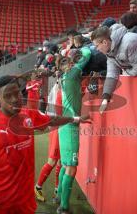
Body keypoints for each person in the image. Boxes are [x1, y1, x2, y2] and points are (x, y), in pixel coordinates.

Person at [0, 75, 90, 214]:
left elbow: (51, 120)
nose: (15, 99)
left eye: (17, 93)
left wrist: (75, 119)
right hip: (1, 204)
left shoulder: (28, 115)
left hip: (26, 203)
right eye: (8, 95)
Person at [56, 46, 91, 214]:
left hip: (64, 125)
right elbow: (87, 54)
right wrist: (83, 47)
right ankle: (63, 207)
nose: (72, 63)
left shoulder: (64, 76)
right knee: (71, 167)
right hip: (70, 126)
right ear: (66, 64)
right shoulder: (73, 72)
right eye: (69, 61)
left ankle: (58, 197)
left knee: (65, 164)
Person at [91, 25, 137, 113]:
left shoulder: (130, 42)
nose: (96, 49)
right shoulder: (109, 52)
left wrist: (125, 70)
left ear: (104, 42)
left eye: (96, 46)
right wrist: (106, 97)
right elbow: (111, 74)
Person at [35, 83, 62, 202]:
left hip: (63, 128)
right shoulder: (59, 88)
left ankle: (57, 190)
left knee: (61, 161)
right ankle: (37, 187)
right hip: (58, 128)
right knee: (52, 161)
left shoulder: (65, 87)